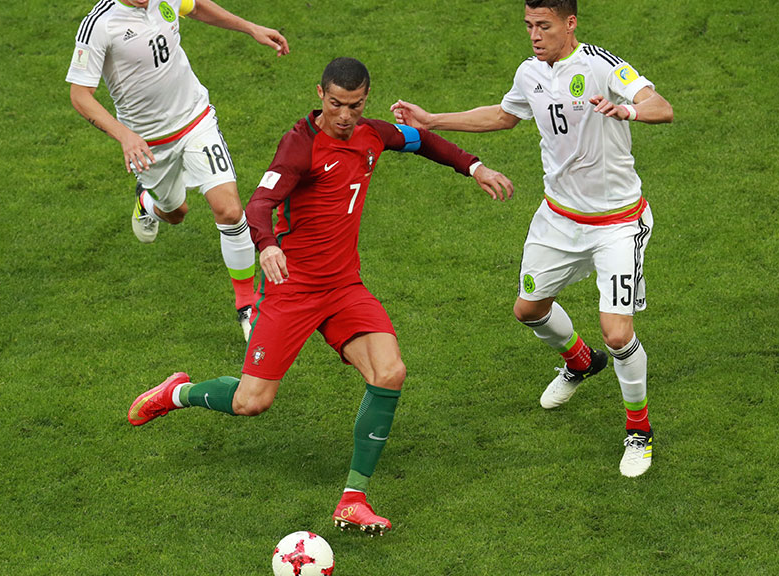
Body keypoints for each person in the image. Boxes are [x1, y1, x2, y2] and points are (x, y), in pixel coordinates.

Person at [128, 57, 514, 534]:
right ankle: (177, 392)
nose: (345, 116)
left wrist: (474, 167)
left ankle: (353, 499)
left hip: (344, 288)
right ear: (320, 95)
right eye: (336, 104)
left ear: (365, 100)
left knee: (390, 372)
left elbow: (421, 140)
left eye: (355, 105)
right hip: (292, 291)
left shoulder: (373, 134)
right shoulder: (300, 146)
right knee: (252, 402)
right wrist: (267, 246)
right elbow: (259, 204)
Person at [391, 0, 673, 478]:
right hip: (558, 219)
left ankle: (639, 431)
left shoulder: (601, 65)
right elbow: (505, 116)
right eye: (529, 26)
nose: (535, 35)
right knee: (528, 310)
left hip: (617, 223)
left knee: (617, 333)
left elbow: (661, 107)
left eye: (544, 26)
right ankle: (580, 362)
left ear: (570, 23)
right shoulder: (529, 73)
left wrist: (627, 110)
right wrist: (432, 120)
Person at [66, 0, 290, 341]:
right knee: (176, 213)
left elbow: (196, 7)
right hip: (150, 142)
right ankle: (148, 204)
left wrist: (251, 28)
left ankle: (247, 306)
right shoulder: (99, 24)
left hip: (195, 120)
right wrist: (125, 136)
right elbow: (80, 94)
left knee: (230, 211)